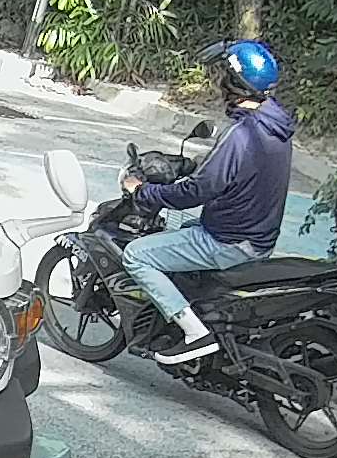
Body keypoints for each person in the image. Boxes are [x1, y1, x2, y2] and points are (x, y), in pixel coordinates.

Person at [117, 39, 296, 366]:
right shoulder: (275, 127)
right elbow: (236, 171)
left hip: (227, 242)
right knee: (186, 227)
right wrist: (192, 164)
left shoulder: (241, 133)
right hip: (257, 238)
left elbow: (197, 192)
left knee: (136, 255)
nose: (220, 82)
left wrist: (144, 192)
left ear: (234, 83)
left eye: (225, 76)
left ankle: (195, 333)